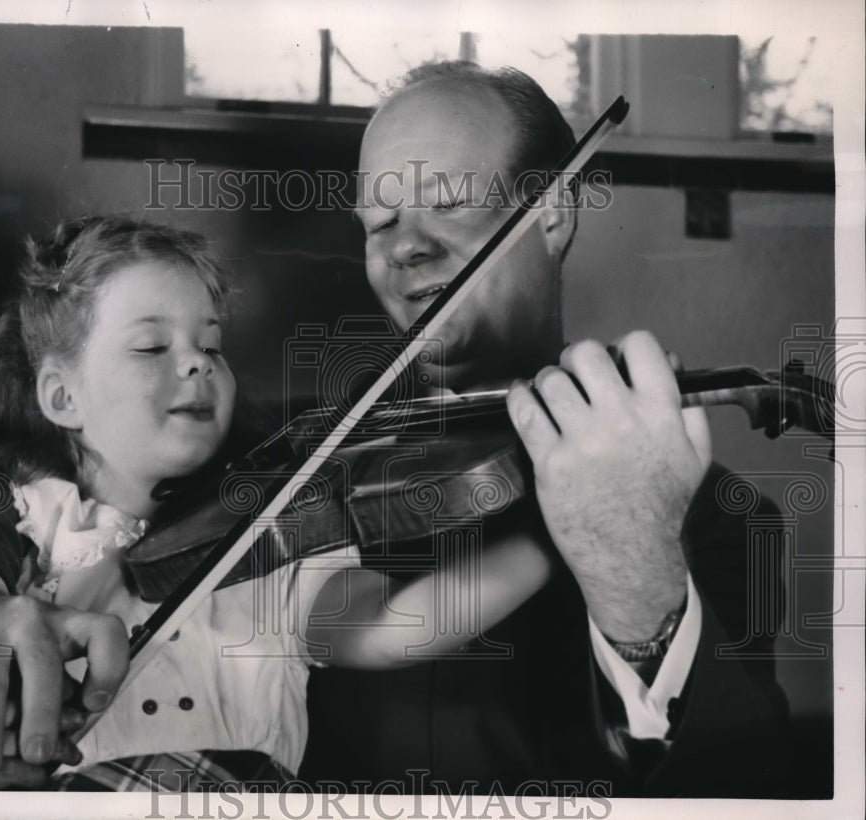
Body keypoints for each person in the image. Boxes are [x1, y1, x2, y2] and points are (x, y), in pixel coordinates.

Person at [0, 215, 553, 790]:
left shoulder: (272, 544)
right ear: (62, 397)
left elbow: (396, 626)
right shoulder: (32, 519)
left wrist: (556, 532)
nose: (198, 362)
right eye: (151, 346)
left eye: (211, 344)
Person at [297, 61, 789, 797]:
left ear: (552, 215)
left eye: (449, 198)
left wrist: (635, 569)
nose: (405, 247)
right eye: (380, 221)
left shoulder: (717, 515)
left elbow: (738, 782)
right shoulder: (309, 472)